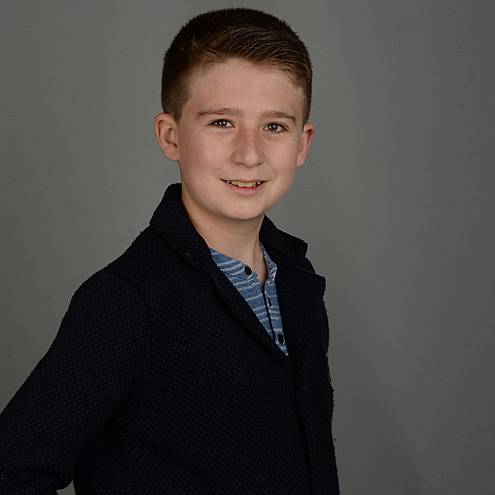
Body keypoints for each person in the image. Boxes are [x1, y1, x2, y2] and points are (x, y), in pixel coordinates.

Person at [0, 7, 339, 494]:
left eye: (274, 127)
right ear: (170, 135)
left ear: (302, 144)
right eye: (221, 122)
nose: (249, 153)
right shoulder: (127, 302)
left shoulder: (297, 281)